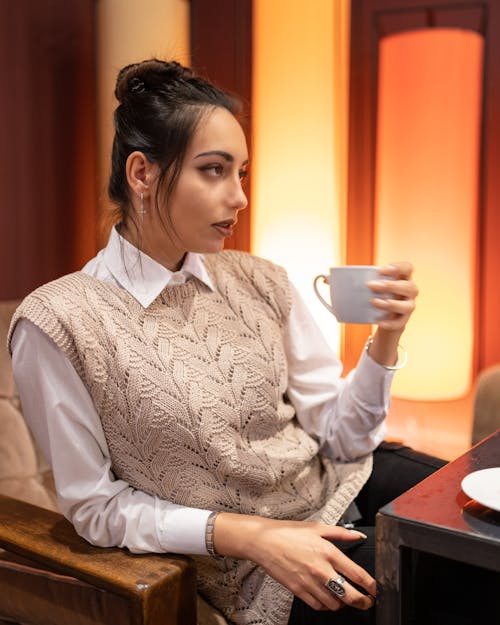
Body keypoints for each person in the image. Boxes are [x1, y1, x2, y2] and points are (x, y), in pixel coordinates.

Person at [8, 59, 444, 625]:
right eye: (213, 170)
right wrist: (254, 537)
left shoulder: (261, 279)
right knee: (445, 590)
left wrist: (386, 338)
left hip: (347, 481)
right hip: (248, 563)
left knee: (479, 525)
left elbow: (341, 440)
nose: (238, 196)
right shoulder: (58, 321)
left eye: (241, 173)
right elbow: (96, 509)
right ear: (142, 175)